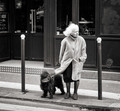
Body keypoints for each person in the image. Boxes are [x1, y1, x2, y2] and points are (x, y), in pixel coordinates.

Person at [54, 23, 87, 100]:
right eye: (75, 32)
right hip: (67, 62)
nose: (77, 33)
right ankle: (68, 92)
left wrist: (82, 59)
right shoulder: (65, 40)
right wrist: (61, 62)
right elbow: (61, 52)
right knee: (67, 77)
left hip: (77, 62)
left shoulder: (81, 40)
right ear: (70, 32)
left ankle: (75, 93)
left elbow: (84, 52)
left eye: (78, 31)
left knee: (76, 78)